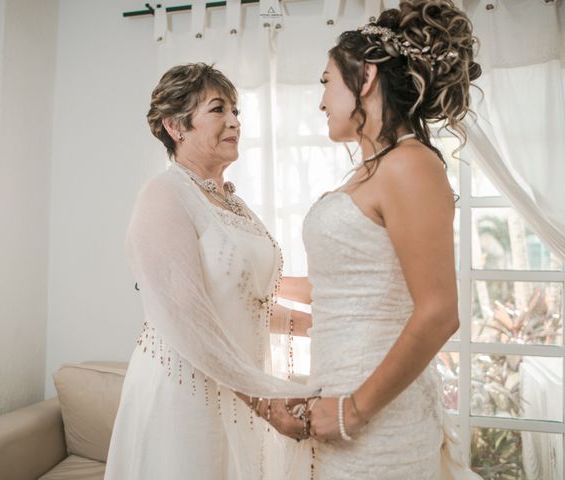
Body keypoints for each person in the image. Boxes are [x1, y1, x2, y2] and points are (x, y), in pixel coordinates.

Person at [261, 1, 483, 478]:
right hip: (333, 409)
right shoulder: (370, 171)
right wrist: (256, 287)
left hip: (380, 425)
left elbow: (439, 313)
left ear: (365, 78)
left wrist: (354, 410)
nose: (321, 101)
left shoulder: (411, 165)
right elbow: (343, 292)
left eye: (326, 82)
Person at [104, 63, 318, 480]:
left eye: (236, 111)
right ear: (175, 125)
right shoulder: (163, 195)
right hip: (183, 396)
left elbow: (249, 305)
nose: (235, 121)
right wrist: (266, 402)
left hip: (237, 394)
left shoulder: (235, 206)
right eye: (218, 109)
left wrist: (327, 323)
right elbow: (190, 316)